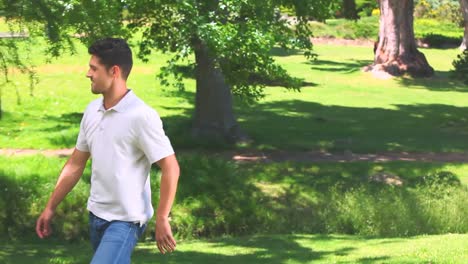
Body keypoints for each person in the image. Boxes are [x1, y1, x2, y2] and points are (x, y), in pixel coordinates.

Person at [35, 37, 180, 263]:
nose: (88, 74)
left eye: (94, 68)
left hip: (125, 221)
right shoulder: (92, 111)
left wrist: (162, 217)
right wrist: (50, 207)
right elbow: (75, 163)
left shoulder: (140, 116)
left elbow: (170, 167)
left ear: (113, 71)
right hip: (96, 216)